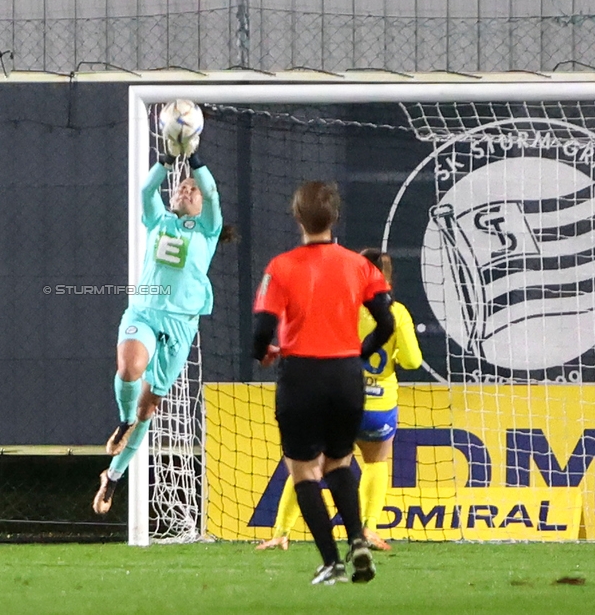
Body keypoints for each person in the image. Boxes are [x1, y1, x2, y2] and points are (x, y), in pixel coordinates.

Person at [251, 181, 394, 585]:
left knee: (304, 472)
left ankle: (331, 561)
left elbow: (261, 330)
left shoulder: (281, 267)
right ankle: (358, 542)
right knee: (339, 461)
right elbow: (386, 321)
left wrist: (264, 351)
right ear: (335, 218)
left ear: (297, 217)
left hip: (301, 375)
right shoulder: (360, 266)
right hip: (347, 377)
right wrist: (359, 352)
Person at [93, 137, 230, 514]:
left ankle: (113, 477)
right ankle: (122, 422)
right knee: (129, 367)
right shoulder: (158, 219)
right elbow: (146, 188)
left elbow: (214, 193)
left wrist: (196, 159)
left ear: (201, 204)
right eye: (182, 187)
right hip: (144, 313)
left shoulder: (207, 231)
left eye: (193, 189)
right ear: (173, 199)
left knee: (149, 407)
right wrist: (168, 159)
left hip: (181, 325)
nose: (187, 189)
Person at [257, 249, 423, 553]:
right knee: (376, 463)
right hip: (379, 404)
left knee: (308, 467)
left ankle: (281, 532)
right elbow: (413, 361)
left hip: (337, 397)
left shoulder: (337, 303)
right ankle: (368, 529)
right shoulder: (396, 313)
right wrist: (394, 355)